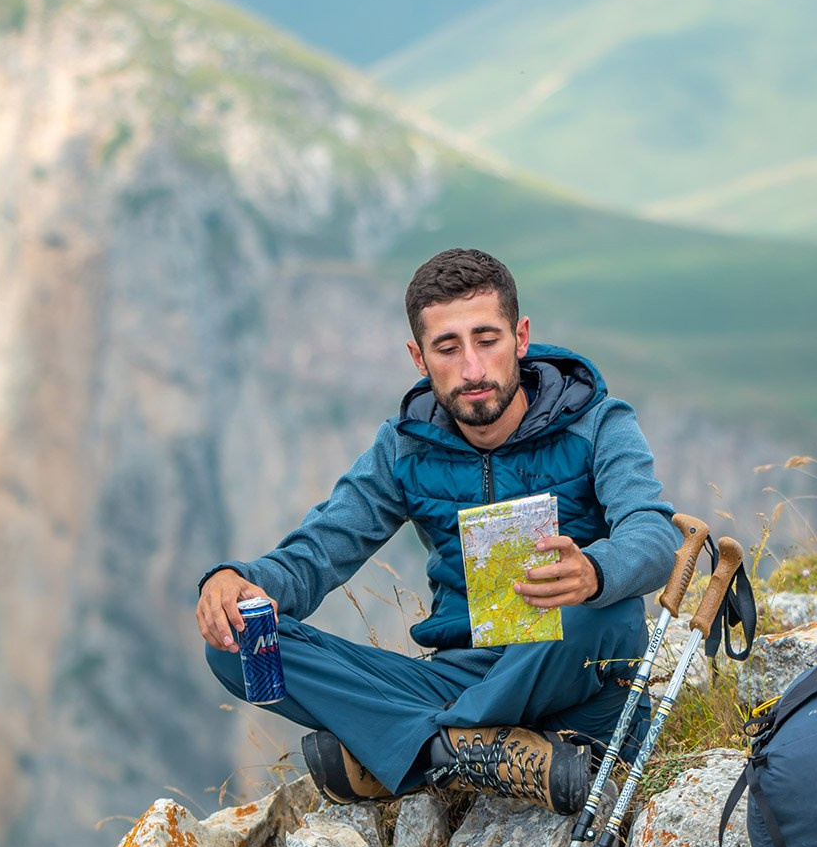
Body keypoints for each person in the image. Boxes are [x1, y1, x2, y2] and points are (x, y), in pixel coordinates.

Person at [198, 247, 679, 813]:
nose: (472, 369)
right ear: (419, 358)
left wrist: (595, 572)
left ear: (521, 337)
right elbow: (320, 551)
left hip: (572, 677)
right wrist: (237, 581)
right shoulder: (405, 446)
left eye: (487, 340)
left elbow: (654, 535)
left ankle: (420, 750)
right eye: (448, 348)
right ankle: (466, 749)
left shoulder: (598, 423)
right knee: (237, 645)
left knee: (606, 612)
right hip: (456, 678)